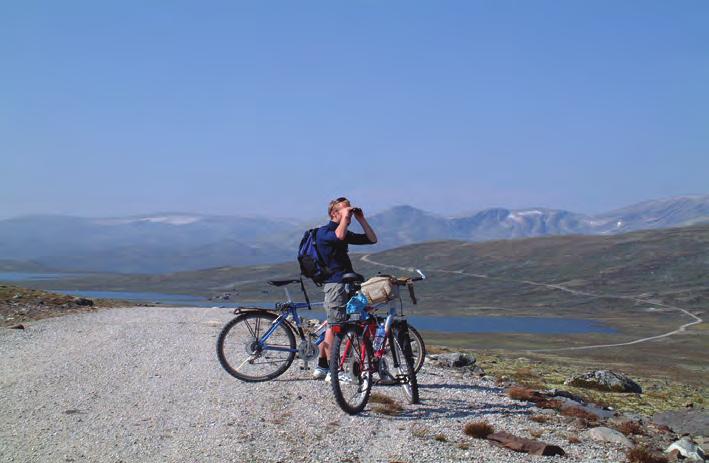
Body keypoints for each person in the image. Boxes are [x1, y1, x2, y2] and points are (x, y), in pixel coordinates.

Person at [312, 197, 378, 380]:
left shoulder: (343, 232)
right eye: (344, 210)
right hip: (335, 285)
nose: (349, 213)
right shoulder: (324, 232)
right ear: (334, 213)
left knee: (334, 325)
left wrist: (361, 219)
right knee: (336, 328)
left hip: (348, 283)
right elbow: (339, 236)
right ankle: (335, 372)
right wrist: (344, 219)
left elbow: (372, 239)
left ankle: (323, 365)